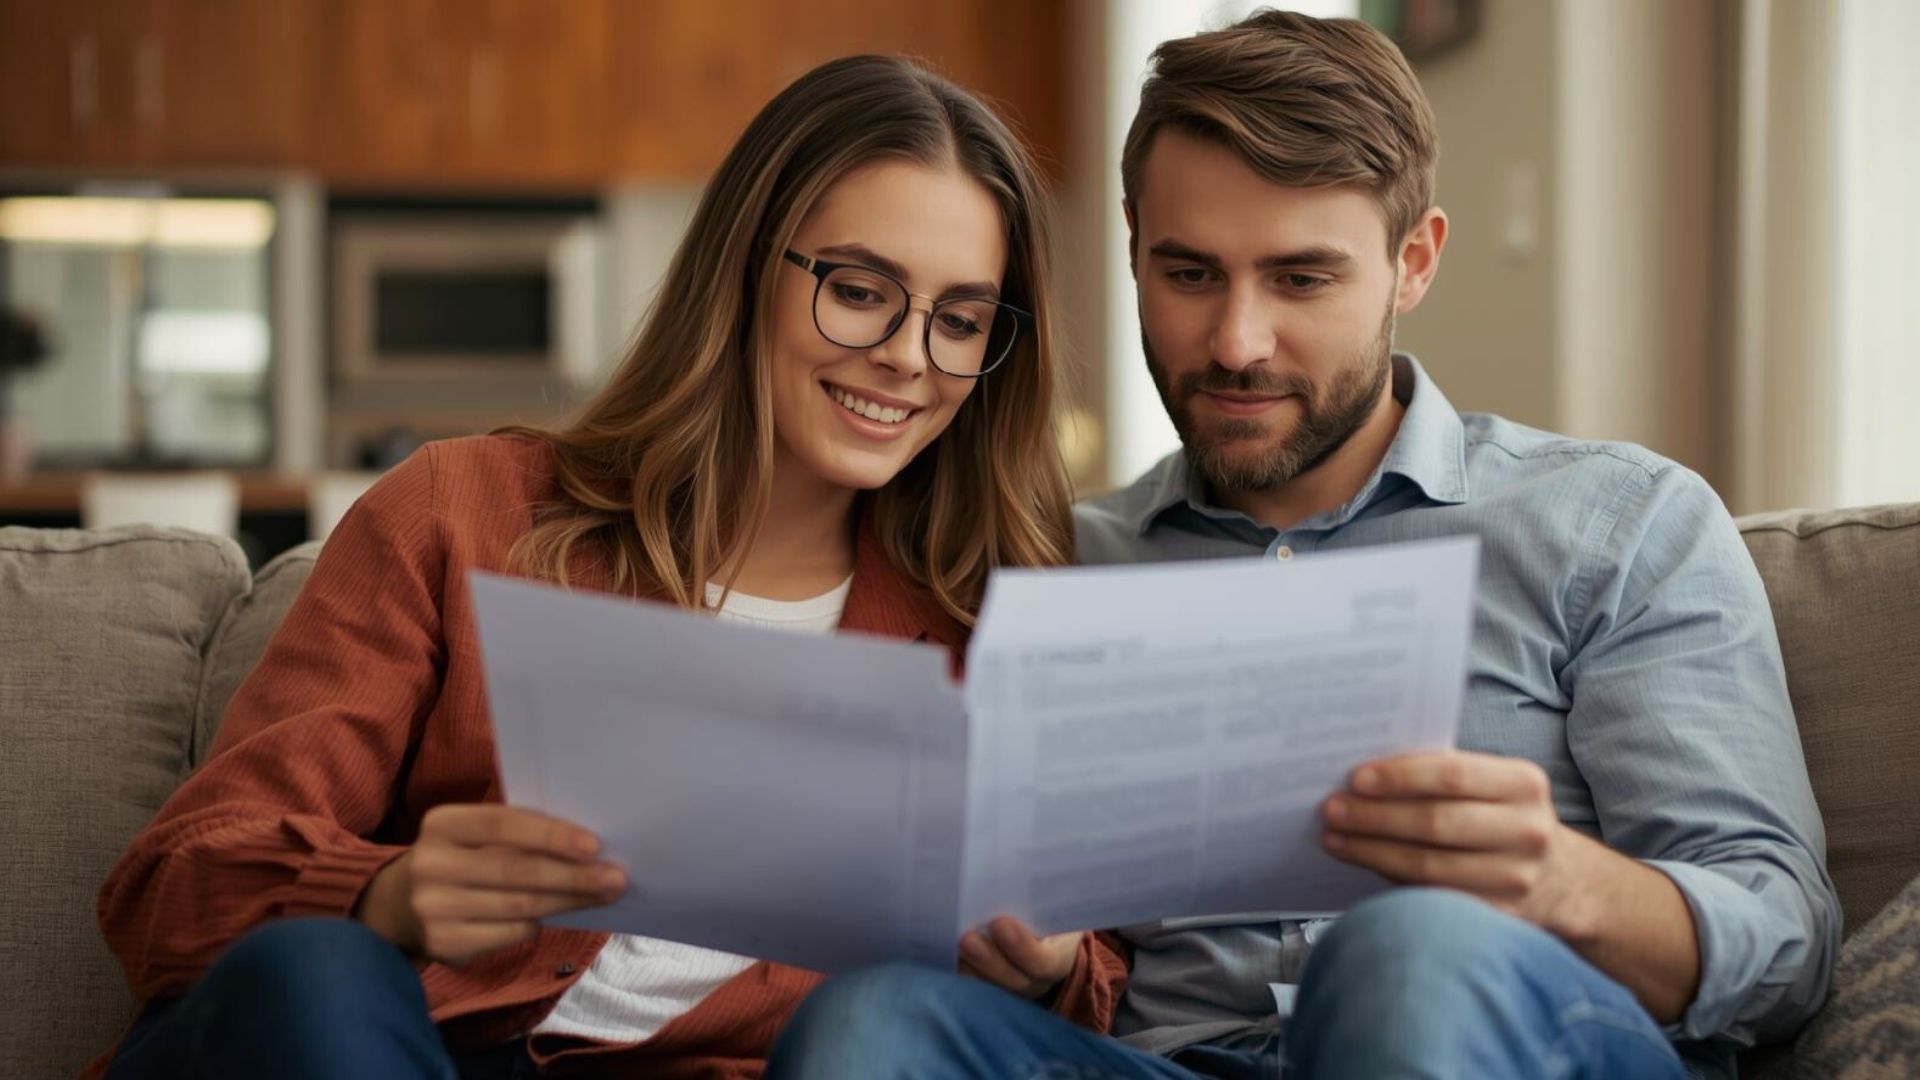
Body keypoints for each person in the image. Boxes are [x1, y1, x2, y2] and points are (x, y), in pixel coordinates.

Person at [765, 11, 1839, 1080]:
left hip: (1494, 1032)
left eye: (1301, 280)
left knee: (1407, 951)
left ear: (1413, 262)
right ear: (1133, 243)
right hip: (1174, 1062)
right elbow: (1050, 947)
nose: (1236, 343)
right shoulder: (1065, 564)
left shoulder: (1617, 525)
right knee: (875, 1023)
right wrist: (1036, 962)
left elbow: (1786, 942)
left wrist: (1565, 884)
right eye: (1188, 274)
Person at [93, 54, 1126, 1080]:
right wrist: (387, 894)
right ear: (744, 269)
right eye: (860, 291)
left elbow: (1093, 995)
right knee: (314, 969)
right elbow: (172, 887)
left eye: (959, 320)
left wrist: (1043, 969)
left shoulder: (986, 630)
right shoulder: (461, 515)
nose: (907, 354)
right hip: (402, 1048)